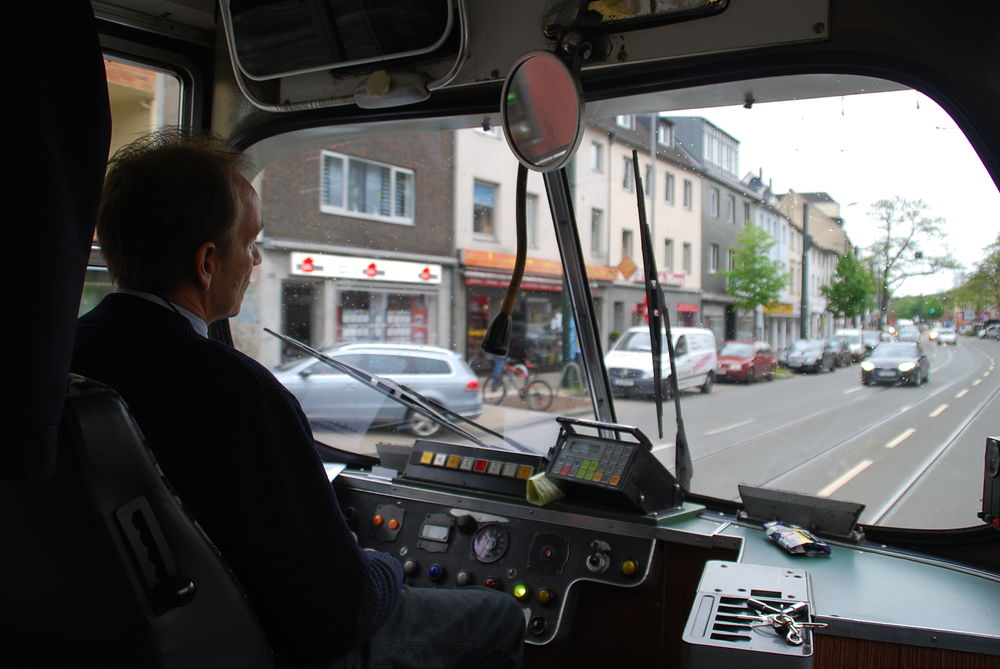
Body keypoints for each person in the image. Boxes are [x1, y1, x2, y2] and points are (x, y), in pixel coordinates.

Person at [72, 130, 524, 668]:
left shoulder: (58, 364)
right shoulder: (240, 396)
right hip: (263, 646)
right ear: (207, 263)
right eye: (251, 242)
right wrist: (378, 565)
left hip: (107, 636)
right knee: (501, 618)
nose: (258, 259)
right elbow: (341, 611)